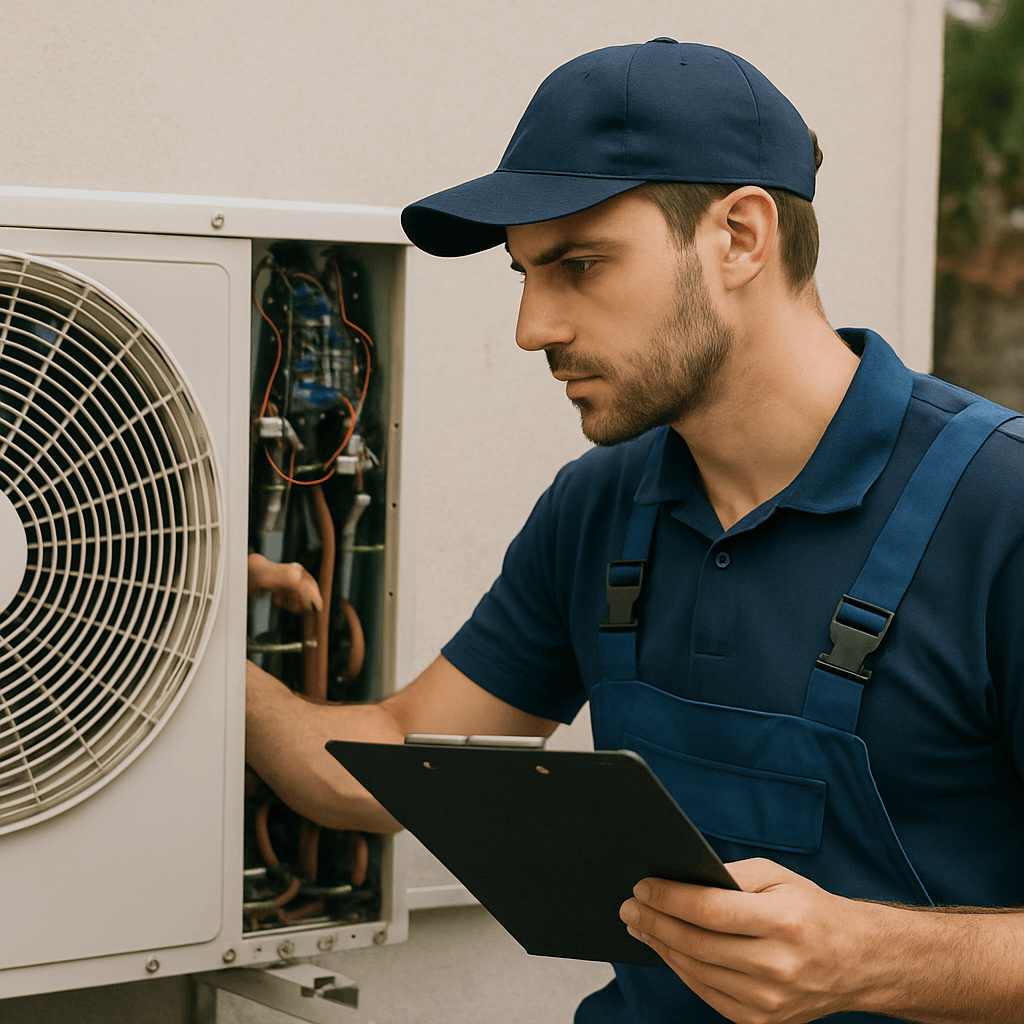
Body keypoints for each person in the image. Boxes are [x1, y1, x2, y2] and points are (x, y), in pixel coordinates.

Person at [246, 38, 1024, 1024]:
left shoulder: (1000, 514)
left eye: (578, 263)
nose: (533, 326)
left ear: (739, 236)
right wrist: (165, 653)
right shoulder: (597, 508)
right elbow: (394, 756)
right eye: (524, 274)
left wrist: (877, 960)